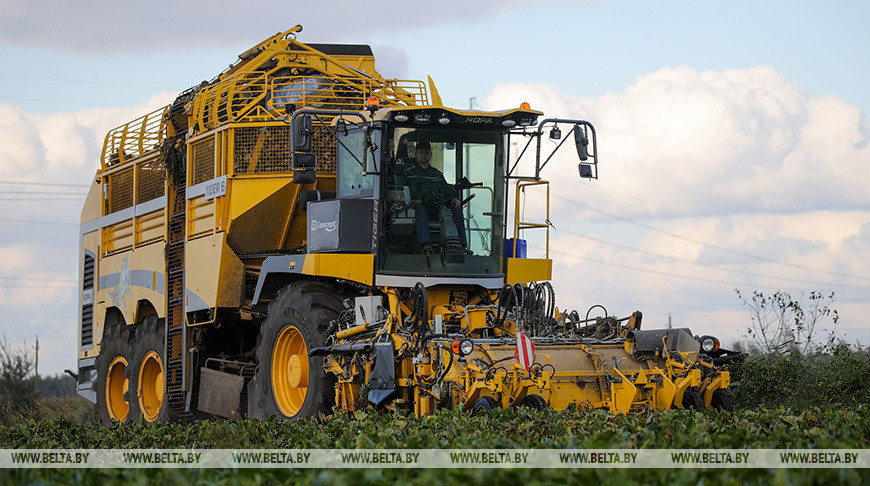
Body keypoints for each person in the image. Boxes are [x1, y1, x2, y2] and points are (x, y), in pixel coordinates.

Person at [404, 141, 468, 253]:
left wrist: (453, 198)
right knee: (421, 210)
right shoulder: (409, 173)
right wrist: (414, 200)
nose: (424, 155)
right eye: (421, 152)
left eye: (426, 153)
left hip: (436, 207)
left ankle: (461, 245)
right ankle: (426, 244)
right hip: (418, 207)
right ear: (415, 155)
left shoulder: (437, 174)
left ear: (430, 155)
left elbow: (446, 188)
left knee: (457, 211)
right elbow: (402, 191)